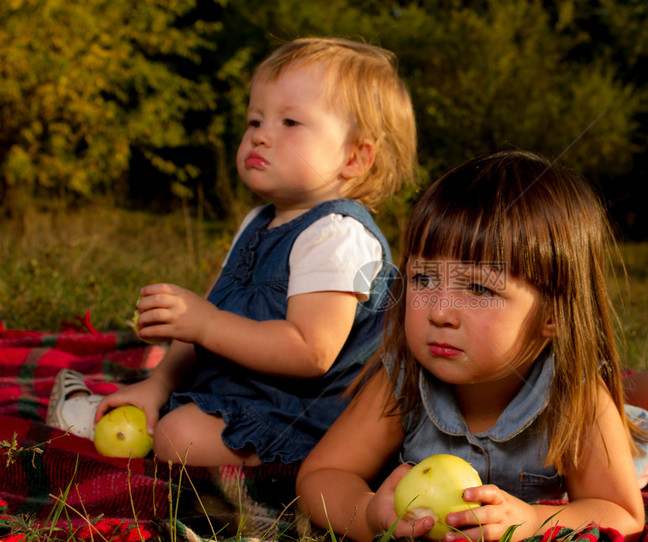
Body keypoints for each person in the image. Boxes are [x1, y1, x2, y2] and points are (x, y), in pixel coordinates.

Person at [295, 150, 648, 542]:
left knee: (626, 406)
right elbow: (323, 474)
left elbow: (619, 512)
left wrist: (532, 522)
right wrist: (367, 515)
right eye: (424, 278)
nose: (439, 310)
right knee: (624, 394)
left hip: (571, 398)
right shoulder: (402, 381)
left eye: (481, 289)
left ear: (553, 315)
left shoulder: (576, 397)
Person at [45, 36, 417, 467]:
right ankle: (145, 411)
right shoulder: (257, 221)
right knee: (174, 423)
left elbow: (311, 352)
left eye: (290, 123)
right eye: (255, 120)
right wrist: (160, 380)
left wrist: (206, 324)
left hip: (307, 421)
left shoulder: (337, 237)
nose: (260, 136)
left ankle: (259, 485)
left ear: (354, 157)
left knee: (178, 436)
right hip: (241, 395)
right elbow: (205, 317)